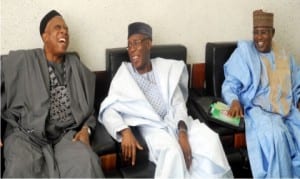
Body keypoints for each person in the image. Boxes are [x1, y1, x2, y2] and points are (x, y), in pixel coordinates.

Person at [99, 22, 232, 178]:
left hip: (176, 121)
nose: (132, 49)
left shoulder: (165, 68)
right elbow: (108, 109)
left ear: (149, 44)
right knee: (173, 153)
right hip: (152, 128)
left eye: (136, 43)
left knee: (210, 141)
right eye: (129, 46)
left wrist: (182, 132)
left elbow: (178, 104)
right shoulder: (124, 75)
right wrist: (124, 130)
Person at [1, 10, 104, 178]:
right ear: (45, 36)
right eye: (58, 28)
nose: (64, 31)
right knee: (20, 167)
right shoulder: (24, 60)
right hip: (27, 136)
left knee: (87, 161)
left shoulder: (76, 66)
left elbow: (89, 108)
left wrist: (86, 129)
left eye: (66, 29)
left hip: (65, 135)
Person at [222, 9, 300, 178]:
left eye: (263, 33)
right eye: (255, 32)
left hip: (286, 108)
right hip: (258, 109)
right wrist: (234, 101)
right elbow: (229, 84)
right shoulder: (244, 53)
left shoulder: (285, 56)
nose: (258, 38)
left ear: (272, 33)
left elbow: (296, 84)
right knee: (276, 136)